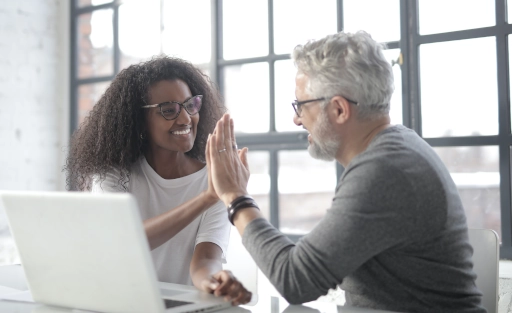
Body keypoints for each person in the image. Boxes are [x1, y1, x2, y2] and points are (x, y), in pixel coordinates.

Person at [205, 31, 486, 312]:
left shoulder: (384, 171)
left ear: (339, 109)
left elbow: (295, 280)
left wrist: (235, 197)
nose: (296, 119)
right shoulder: (396, 148)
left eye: (300, 105)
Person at [65, 56, 251, 305]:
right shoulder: (113, 174)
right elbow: (125, 240)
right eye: (169, 110)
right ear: (139, 121)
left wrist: (214, 281)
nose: (185, 118)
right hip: (116, 305)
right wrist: (207, 197)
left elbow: (206, 259)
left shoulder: (212, 179)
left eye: (190, 105)